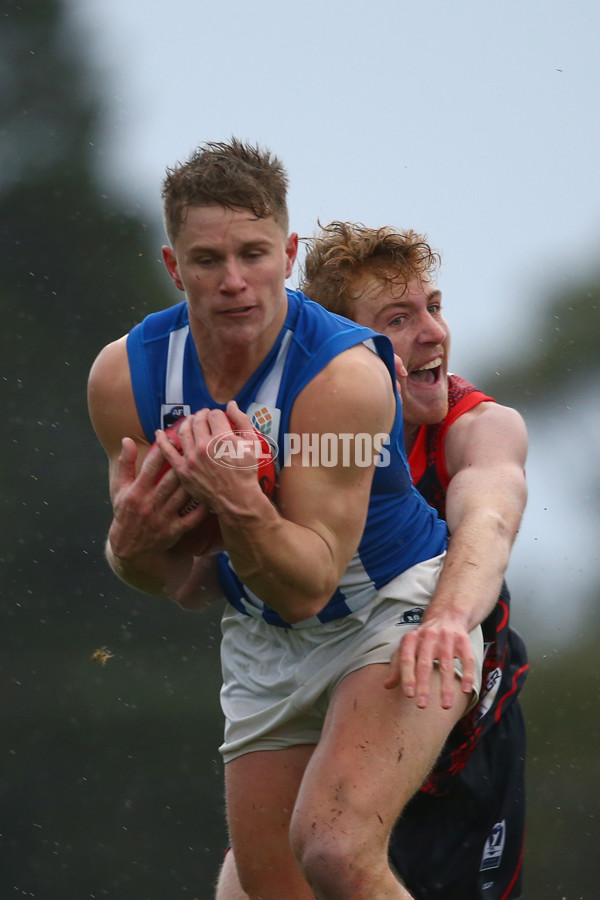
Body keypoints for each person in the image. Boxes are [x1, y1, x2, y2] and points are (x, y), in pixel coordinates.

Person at [87, 140, 484, 900]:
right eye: (207, 260)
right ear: (174, 267)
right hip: (264, 631)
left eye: (254, 254)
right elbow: (175, 579)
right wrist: (127, 549)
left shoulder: (343, 377)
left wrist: (235, 500)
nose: (234, 282)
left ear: (288, 251)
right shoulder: (125, 377)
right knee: (271, 891)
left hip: (389, 607)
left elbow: (310, 582)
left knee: (333, 851)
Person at [216, 222, 528, 900]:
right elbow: (193, 583)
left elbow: (491, 516)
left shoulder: (477, 425)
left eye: (434, 308)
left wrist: (445, 620)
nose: (434, 333)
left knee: (333, 849)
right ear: (345, 347)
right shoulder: (290, 435)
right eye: (398, 319)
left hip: (453, 742)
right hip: (333, 713)